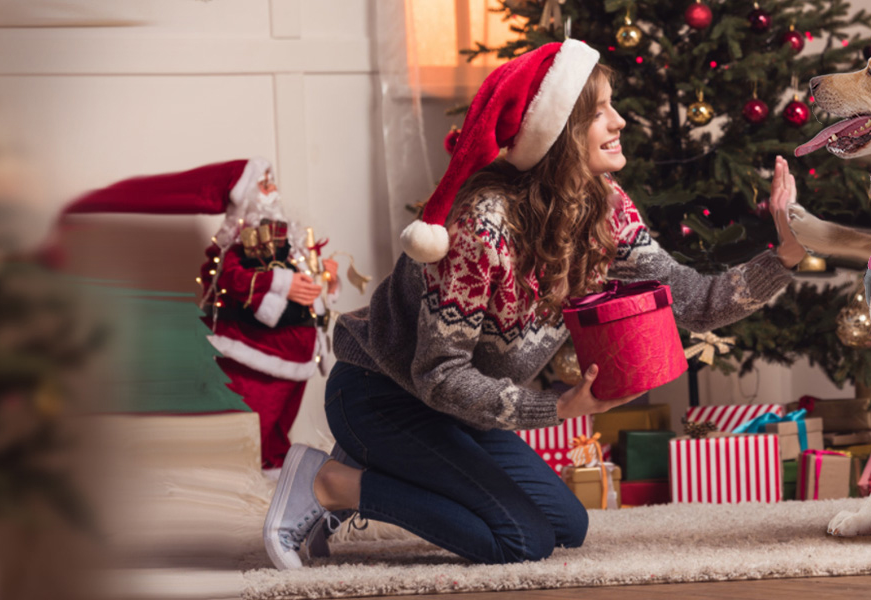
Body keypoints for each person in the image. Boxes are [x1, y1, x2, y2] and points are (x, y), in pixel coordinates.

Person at [262, 40, 809, 569]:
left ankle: (375, 474)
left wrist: (783, 255)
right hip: (384, 395)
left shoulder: (605, 208)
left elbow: (690, 299)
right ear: (559, 134)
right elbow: (438, 375)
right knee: (518, 537)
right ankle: (332, 483)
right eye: (599, 113)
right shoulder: (482, 227)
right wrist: (558, 409)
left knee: (565, 526)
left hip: (458, 411)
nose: (619, 122)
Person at [59, 159, 337, 474]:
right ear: (245, 196)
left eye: (272, 182)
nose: (273, 190)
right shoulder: (242, 243)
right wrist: (282, 283)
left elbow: (309, 275)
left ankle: (275, 462)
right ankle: (244, 470)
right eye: (264, 184)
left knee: (281, 420)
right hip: (261, 352)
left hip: (299, 352)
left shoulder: (292, 241)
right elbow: (230, 277)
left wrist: (326, 274)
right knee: (255, 416)